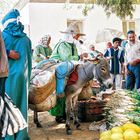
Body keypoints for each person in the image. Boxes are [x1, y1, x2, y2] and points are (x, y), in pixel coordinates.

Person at [1, 9, 32, 140]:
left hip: (6, 78)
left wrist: (7, 52)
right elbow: (29, 63)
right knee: (21, 105)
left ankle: (8, 136)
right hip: (22, 78)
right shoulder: (26, 40)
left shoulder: (3, 36)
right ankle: (21, 135)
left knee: (7, 107)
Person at [49, 22, 85, 123]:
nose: (78, 37)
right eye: (76, 35)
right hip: (58, 68)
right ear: (71, 35)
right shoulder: (62, 44)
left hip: (69, 67)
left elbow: (74, 58)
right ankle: (59, 115)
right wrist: (78, 57)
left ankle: (68, 112)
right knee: (60, 89)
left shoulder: (72, 45)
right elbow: (66, 58)